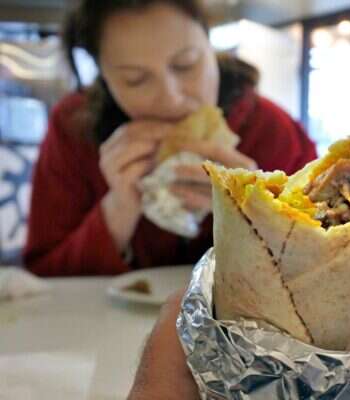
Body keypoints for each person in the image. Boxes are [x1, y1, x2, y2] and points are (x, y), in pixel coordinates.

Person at [24, 0, 317, 276]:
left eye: (186, 64)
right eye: (135, 79)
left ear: (210, 47)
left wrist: (258, 212)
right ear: (104, 78)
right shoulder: (74, 127)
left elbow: (322, 266)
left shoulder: (271, 128)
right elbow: (43, 276)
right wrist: (118, 208)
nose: (171, 98)